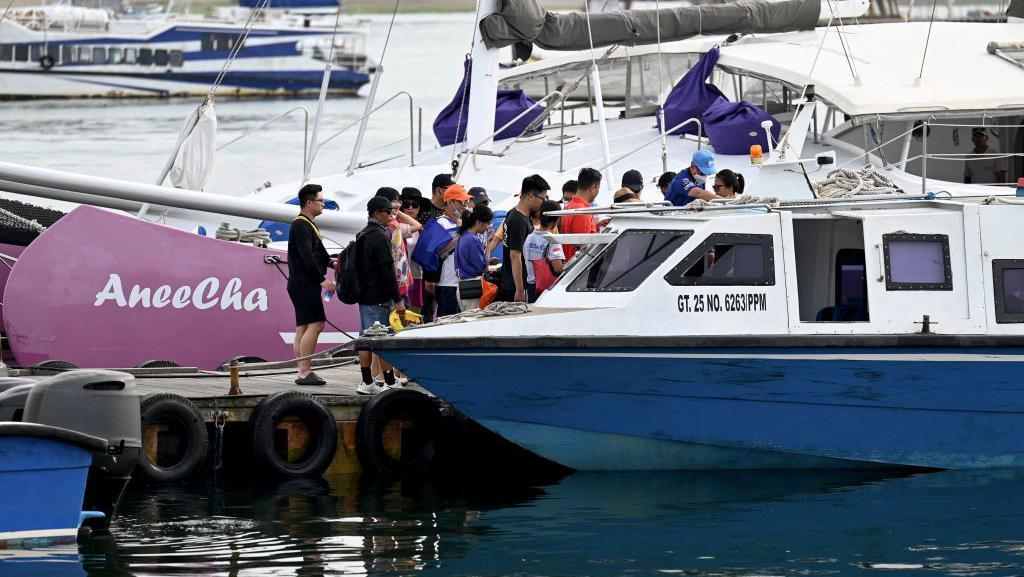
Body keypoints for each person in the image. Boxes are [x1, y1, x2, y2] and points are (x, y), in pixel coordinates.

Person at [355, 196, 406, 395]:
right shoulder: (380, 236)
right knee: (382, 339)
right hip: (379, 296)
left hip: (364, 295)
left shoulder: (361, 234)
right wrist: (398, 299)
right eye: (388, 212)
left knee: (365, 339)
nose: (391, 216)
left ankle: (367, 381)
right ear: (377, 213)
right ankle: (389, 381)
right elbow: (388, 272)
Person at [287, 184, 334, 386]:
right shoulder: (301, 225)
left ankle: (302, 369)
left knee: (303, 327)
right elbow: (307, 256)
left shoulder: (309, 224)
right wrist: (322, 280)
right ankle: (305, 371)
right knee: (316, 324)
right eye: (320, 201)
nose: (323, 204)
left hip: (301, 283)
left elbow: (321, 254)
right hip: (304, 283)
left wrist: (335, 263)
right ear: (309, 202)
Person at [501, 174, 550, 302]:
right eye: (542, 199)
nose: (543, 202)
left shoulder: (514, 213)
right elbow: (515, 255)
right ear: (530, 196)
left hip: (510, 280)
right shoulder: (519, 220)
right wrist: (519, 289)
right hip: (517, 284)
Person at [375, 187, 422, 303]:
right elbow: (417, 225)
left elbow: (417, 225)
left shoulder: (395, 224)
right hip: (393, 282)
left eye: (398, 201)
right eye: (395, 201)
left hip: (399, 280)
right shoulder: (391, 226)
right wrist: (395, 211)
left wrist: (395, 210)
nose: (398, 204)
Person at [419, 174, 454, 321]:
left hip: (444, 274)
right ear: (439, 191)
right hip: (425, 275)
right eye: (450, 189)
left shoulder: (448, 212)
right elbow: (426, 247)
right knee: (425, 313)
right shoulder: (426, 212)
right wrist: (429, 277)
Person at [434, 184, 471, 317]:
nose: (465, 205)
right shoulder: (440, 223)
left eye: (466, 201)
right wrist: (460, 234)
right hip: (447, 283)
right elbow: (437, 251)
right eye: (461, 201)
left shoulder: (461, 223)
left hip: (462, 282)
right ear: (450, 202)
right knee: (446, 323)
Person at [524, 200, 566, 301]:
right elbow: (558, 268)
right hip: (545, 289)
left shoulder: (529, 238)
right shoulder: (553, 240)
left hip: (530, 286)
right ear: (556, 221)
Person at [454, 204, 494, 310]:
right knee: (475, 322)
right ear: (479, 222)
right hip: (473, 287)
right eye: (488, 223)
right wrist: (489, 247)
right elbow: (484, 267)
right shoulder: (472, 240)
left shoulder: (464, 235)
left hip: (463, 286)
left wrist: (489, 243)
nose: (489, 226)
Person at [560, 167, 601, 260]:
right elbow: (584, 248)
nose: (598, 192)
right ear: (593, 188)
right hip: (578, 267)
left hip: (569, 263)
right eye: (598, 189)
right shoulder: (583, 212)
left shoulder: (569, 207)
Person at [400, 188, 425, 310]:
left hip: (417, 277)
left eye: (414, 205)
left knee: (415, 315)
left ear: (419, 207)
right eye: (406, 204)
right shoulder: (395, 227)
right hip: (402, 279)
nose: (410, 208)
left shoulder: (422, 230)